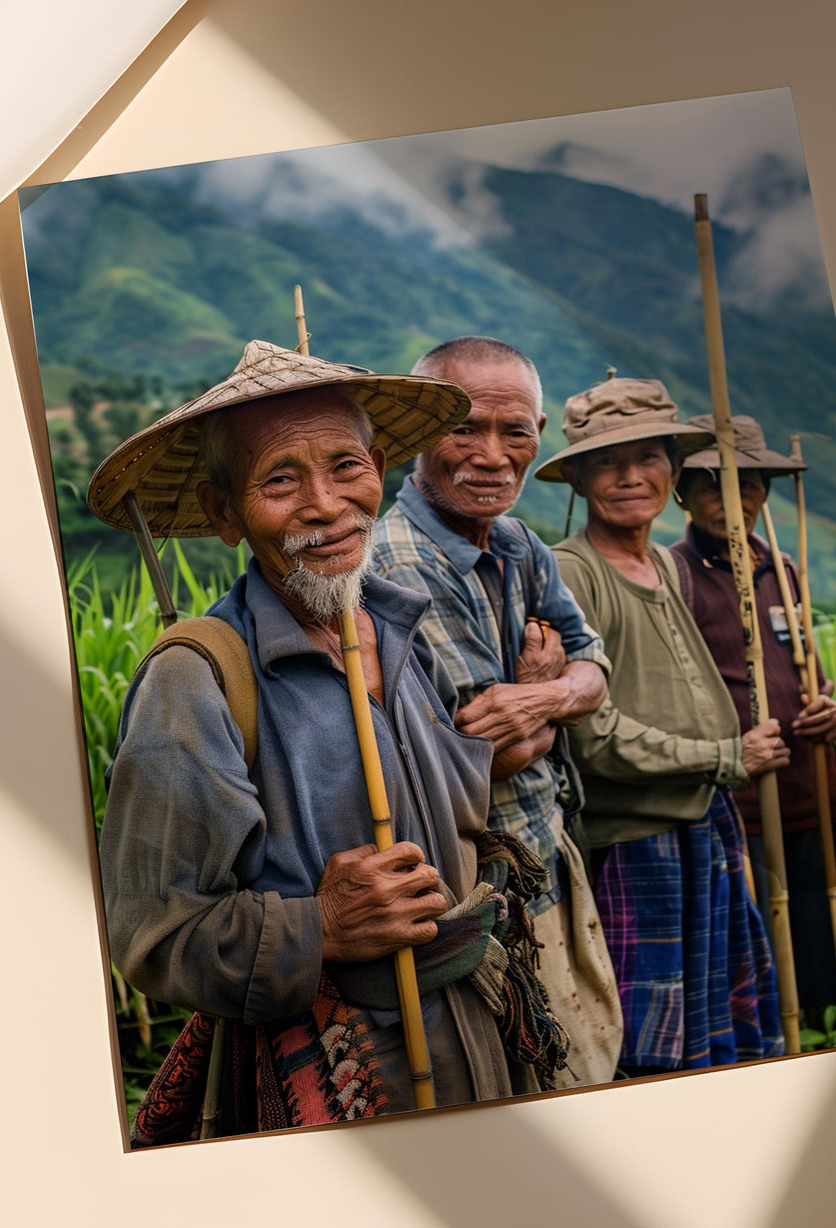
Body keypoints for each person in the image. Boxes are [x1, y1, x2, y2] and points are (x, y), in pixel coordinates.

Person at [92, 340, 560, 1143]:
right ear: (223, 511)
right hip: (343, 1080)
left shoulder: (399, 626)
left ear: (379, 465)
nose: (325, 504)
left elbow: (449, 803)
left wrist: (545, 703)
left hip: (481, 1034)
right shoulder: (197, 679)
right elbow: (150, 932)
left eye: (346, 466)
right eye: (280, 478)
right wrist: (319, 927)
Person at [373, 336, 623, 1086]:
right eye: (465, 428)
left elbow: (595, 667)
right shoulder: (397, 566)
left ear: (537, 436)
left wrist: (539, 694)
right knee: (540, 1088)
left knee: (593, 1063)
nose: (490, 455)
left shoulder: (517, 544)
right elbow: (479, 757)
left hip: (550, 849)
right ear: (417, 435)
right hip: (477, 894)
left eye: (512, 432)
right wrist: (555, 703)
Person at [538, 375, 786, 1075]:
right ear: (579, 481)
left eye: (647, 458)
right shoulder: (570, 574)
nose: (628, 478)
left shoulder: (662, 567)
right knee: (648, 1051)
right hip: (635, 842)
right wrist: (723, 756)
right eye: (606, 464)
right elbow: (591, 734)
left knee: (713, 1034)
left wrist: (721, 765)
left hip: (703, 824)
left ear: (672, 473)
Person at [669, 414, 836, 1023]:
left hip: (811, 792)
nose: (734, 502)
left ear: (764, 494)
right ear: (683, 493)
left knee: (830, 940)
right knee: (763, 951)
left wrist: (827, 706)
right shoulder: (678, 576)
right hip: (743, 808)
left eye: (750, 486)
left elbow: (809, 671)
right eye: (712, 486)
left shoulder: (782, 570)